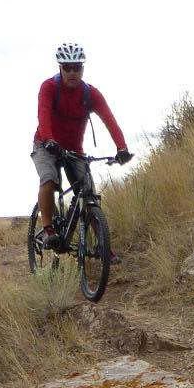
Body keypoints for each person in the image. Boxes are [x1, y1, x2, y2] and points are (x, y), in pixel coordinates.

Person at [32, 42, 132, 249]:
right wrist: (49, 139)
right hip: (45, 143)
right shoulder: (49, 87)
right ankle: (48, 230)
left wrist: (122, 148)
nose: (72, 72)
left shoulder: (90, 94)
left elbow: (109, 119)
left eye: (77, 67)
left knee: (88, 195)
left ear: (82, 68)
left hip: (74, 150)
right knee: (49, 179)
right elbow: (43, 115)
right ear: (60, 67)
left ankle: (103, 248)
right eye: (67, 67)